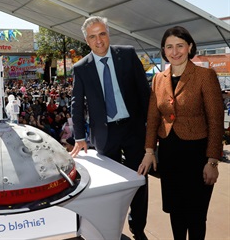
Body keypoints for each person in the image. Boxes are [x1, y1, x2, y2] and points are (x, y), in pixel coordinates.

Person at [138, 26, 224, 240]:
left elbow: (216, 121)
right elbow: (153, 117)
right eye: (169, 46)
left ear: (190, 47)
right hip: (169, 154)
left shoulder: (205, 75)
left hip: (197, 155)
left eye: (179, 45)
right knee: (175, 211)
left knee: (195, 215)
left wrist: (212, 161)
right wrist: (149, 150)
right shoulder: (159, 79)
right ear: (163, 50)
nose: (174, 51)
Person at [70, 16, 151, 240]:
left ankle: (139, 229)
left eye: (102, 34)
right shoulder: (81, 68)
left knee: (140, 181)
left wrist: (151, 129)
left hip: (134, 130)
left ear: (109, 34)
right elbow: (76, 105)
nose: (99, 40)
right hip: (105, 135)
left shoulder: (127, 54)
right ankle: (111, 228)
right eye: (93, 36)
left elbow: (145, 94)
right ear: (87, 40)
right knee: (112, 186)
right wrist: (79, 137)